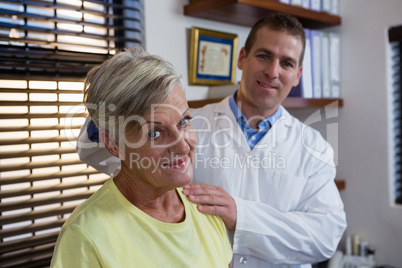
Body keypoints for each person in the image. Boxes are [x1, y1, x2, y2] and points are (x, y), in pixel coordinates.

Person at [76, 13, 347, 268]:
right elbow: (100, 153)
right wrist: (121, 97)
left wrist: (241, 216)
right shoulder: (188, 125)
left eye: (287, 63)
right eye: (264, 56)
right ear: (242, 58)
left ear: (298, 75)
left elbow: (325, 236)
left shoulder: (313, 145)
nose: (272, 72)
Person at [51, 48, 232, 268]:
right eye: (155, 133)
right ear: (113, 144)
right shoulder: (86, 236)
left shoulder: (206, 213)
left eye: (184, 121)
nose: (183, 146)